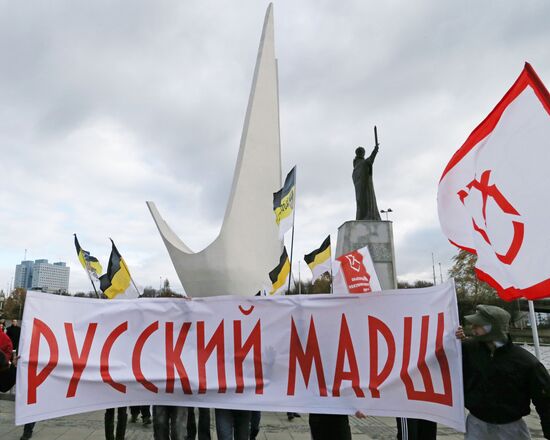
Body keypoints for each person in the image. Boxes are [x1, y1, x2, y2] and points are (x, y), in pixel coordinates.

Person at [456, 304, 550, 439]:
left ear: (493, 328)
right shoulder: (468, 349)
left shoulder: (527, 362)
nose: (472, 328)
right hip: (476, 425)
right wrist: (453, 339)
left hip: (512, 429)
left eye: (478, 325)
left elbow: (545, 402)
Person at [352, 145, 381, 221]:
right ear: (363, 153)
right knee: (367, 202)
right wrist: (375, 151)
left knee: (360, 203)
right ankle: (369, 216)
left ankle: (361, 217)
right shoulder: (363, 163)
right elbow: (370, 159)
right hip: (365, 189)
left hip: (359, 192)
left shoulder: (356, 167)